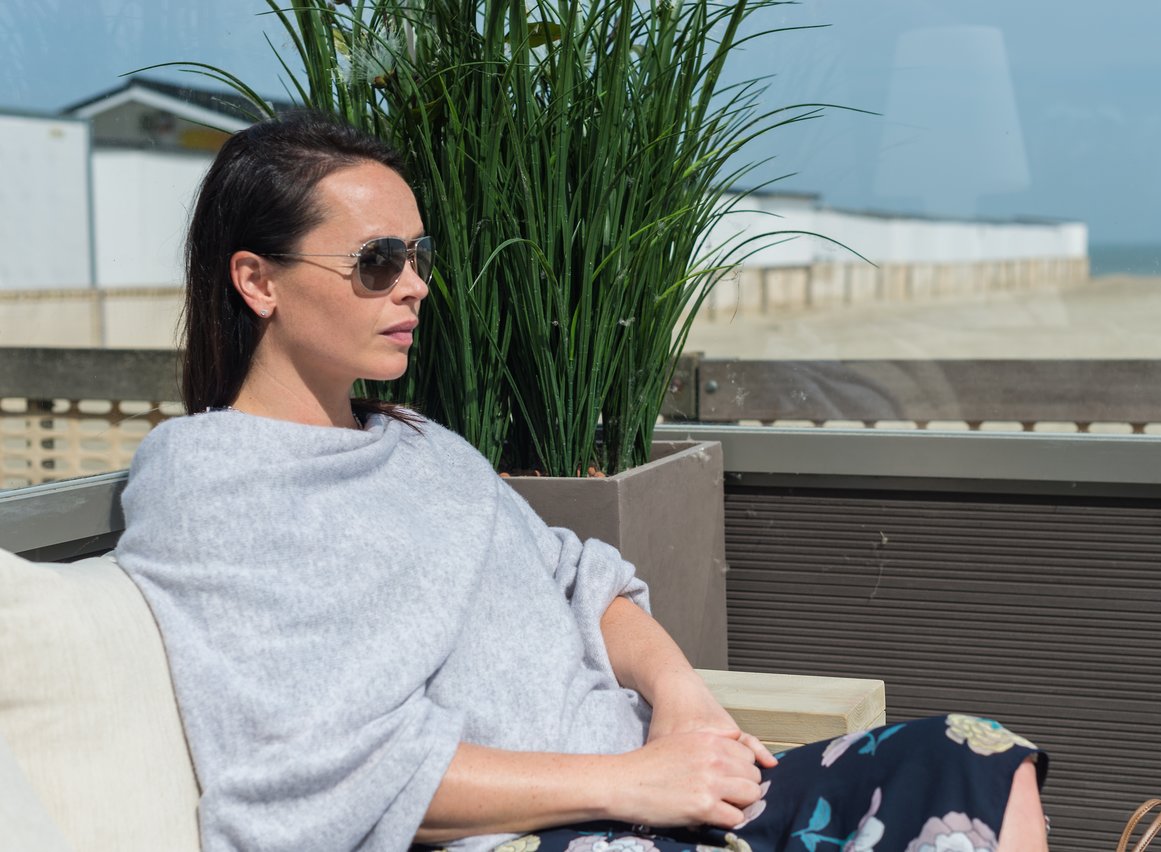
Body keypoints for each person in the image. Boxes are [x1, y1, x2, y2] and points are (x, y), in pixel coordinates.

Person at [116, 113, 1049, 852]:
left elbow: (579, 576)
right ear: (258, 281)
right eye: (377, 262)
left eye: (419, 256)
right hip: (537, 831)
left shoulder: (420, 446)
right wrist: (628, 785)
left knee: (975, 755)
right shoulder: (213, 484)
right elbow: (320, 769)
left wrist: (679, 695)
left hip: (649, 785)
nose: (415, 286)